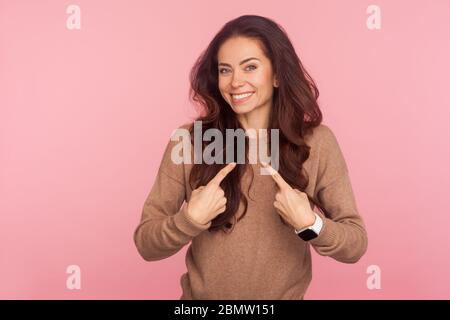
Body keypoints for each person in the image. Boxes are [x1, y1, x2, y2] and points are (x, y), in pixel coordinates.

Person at [133, 15, 368, 300]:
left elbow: (355, 245)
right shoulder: (190, 141)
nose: (235, 82)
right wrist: (189, 220)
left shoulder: (317, 142)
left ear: (278, 74)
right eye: (225, 70)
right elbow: (146, 244)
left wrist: (310, 224)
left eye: (250, 67)